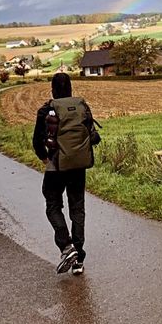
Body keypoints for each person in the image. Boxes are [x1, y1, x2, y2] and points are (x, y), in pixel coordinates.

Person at [32, 72, 99, 275]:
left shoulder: (46, 110)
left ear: (52, 89)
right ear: (70, 88)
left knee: (53, 205)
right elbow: (94, 138)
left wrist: (45, 158)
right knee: (77, 209)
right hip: (78, 167)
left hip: (56, 167)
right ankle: (79, 259)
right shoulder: (81, 107)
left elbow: (37, 141)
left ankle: (67, 246)